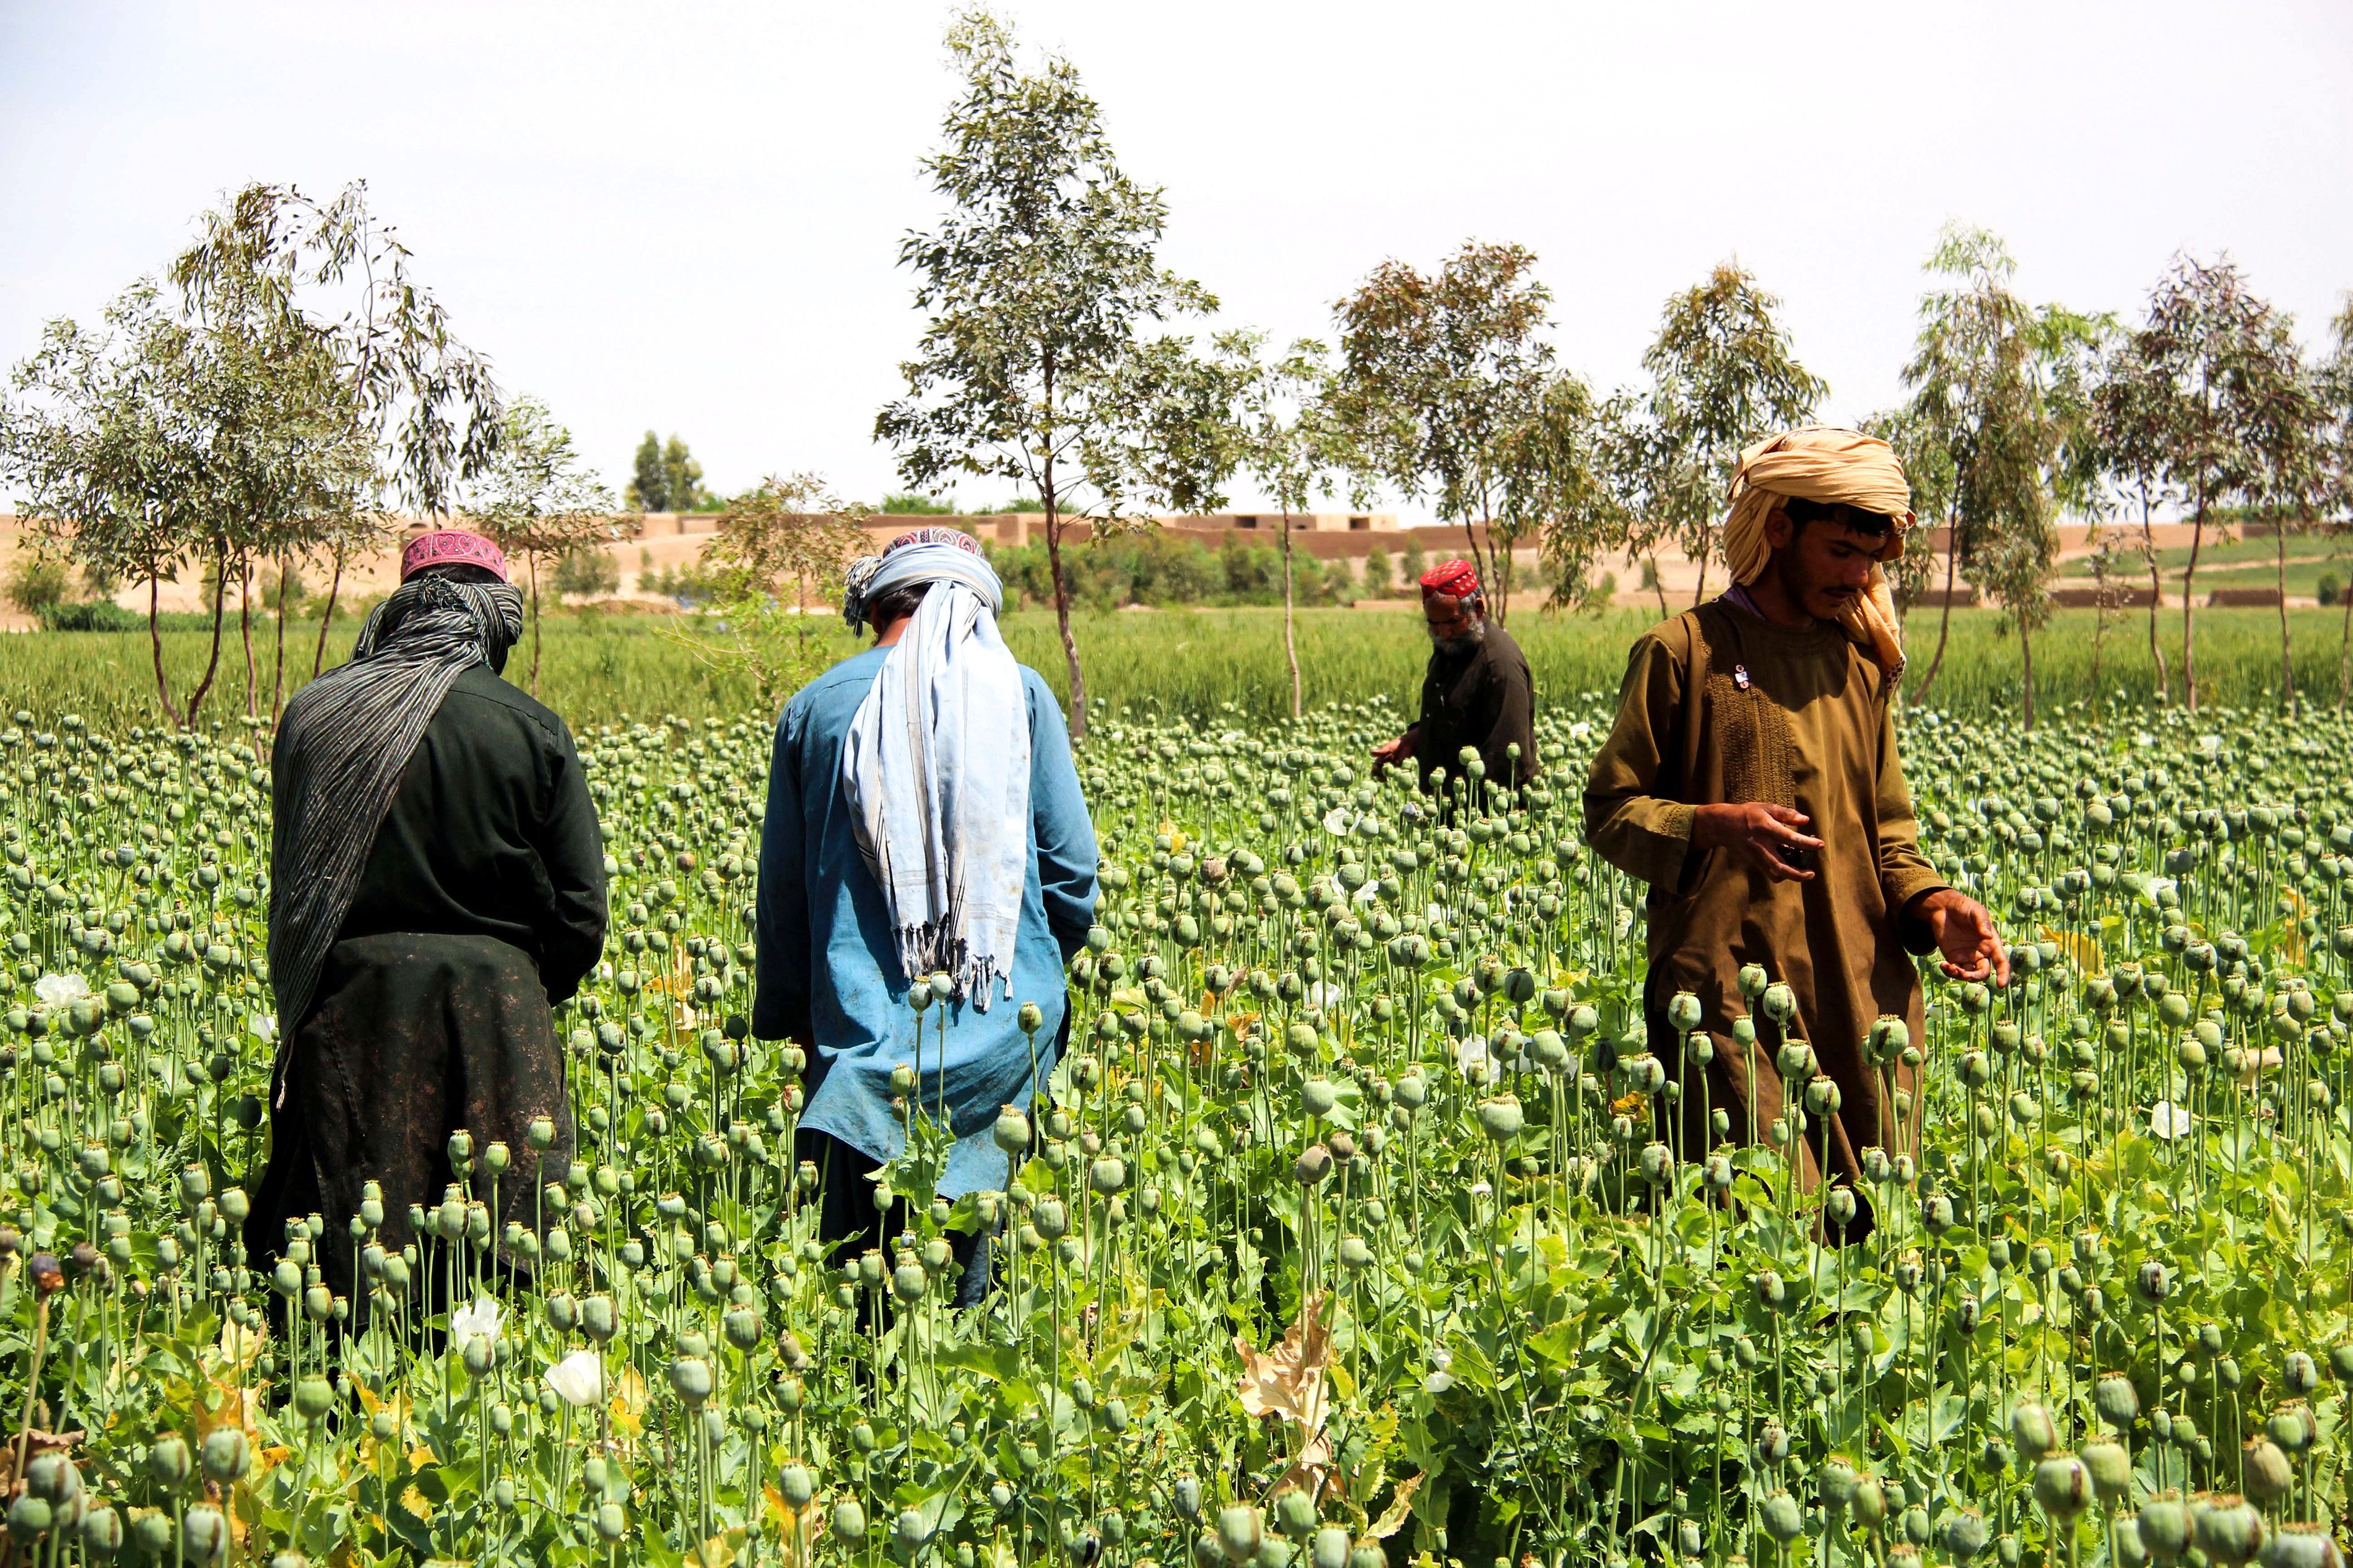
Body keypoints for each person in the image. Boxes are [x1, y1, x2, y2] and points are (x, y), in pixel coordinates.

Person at [1583, 427, 2007, 1205]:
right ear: (1778, 530)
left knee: (1871, 1224)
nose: (1857, 577)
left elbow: (1885, 830)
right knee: (1759, 1221)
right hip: (1726, 993)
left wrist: (1932, 904)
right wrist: (1710, 823)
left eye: (1871, 560)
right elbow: (1610, 810)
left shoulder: (1856, 664)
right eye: (1839, 552)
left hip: (1851, 989)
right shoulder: (1683, 653)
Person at [253, 529, 607, 1319]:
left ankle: (344, 1398)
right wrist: (528, 987)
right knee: (503, 1248)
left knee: (348, 1244)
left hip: (350, 1005)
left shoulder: (315, 713)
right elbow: (581, 912)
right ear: (492, 615)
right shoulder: (530, 727)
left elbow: (294, 888)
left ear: (401, 606)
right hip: (495, 1012)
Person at [754, 527, 1098, 1304]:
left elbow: (784, 902)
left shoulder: (816, 707)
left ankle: (873, 1404)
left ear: (874, 603)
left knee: (864, 1278)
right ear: (975, 604)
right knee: (984, 1270)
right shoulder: (1021, 692)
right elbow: (1072, 873)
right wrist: (1031, 977)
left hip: (862, 1049)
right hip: (1004, 1031)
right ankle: (969, 1400)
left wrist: (796, 1027)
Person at [1371, 559, 1537, 799]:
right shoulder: (1452, 647)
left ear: (1478, 609)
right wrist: (1415, 739)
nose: (1443, 632)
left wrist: (1468, 820)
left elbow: (1505, 760)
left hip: (1485, 817)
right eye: (1433, 623)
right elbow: (1455, 716)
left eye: (1452, 621)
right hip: (1447, 812)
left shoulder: (1500, 666)